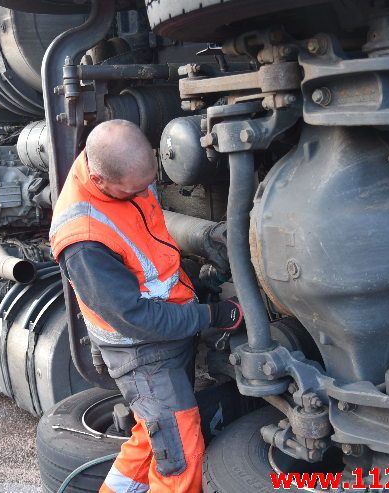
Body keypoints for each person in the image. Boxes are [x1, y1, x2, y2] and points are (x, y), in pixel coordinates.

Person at [49, 119, 243, 492]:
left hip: (166, 334)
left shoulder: (118, 171)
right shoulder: (83, 240)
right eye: (135, 189)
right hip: (143, 353)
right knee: (180, 459)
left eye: (148, 182)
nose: (144, 193)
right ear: (102, 181)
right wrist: (211, 315)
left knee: (152, 437)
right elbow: (135, 318)